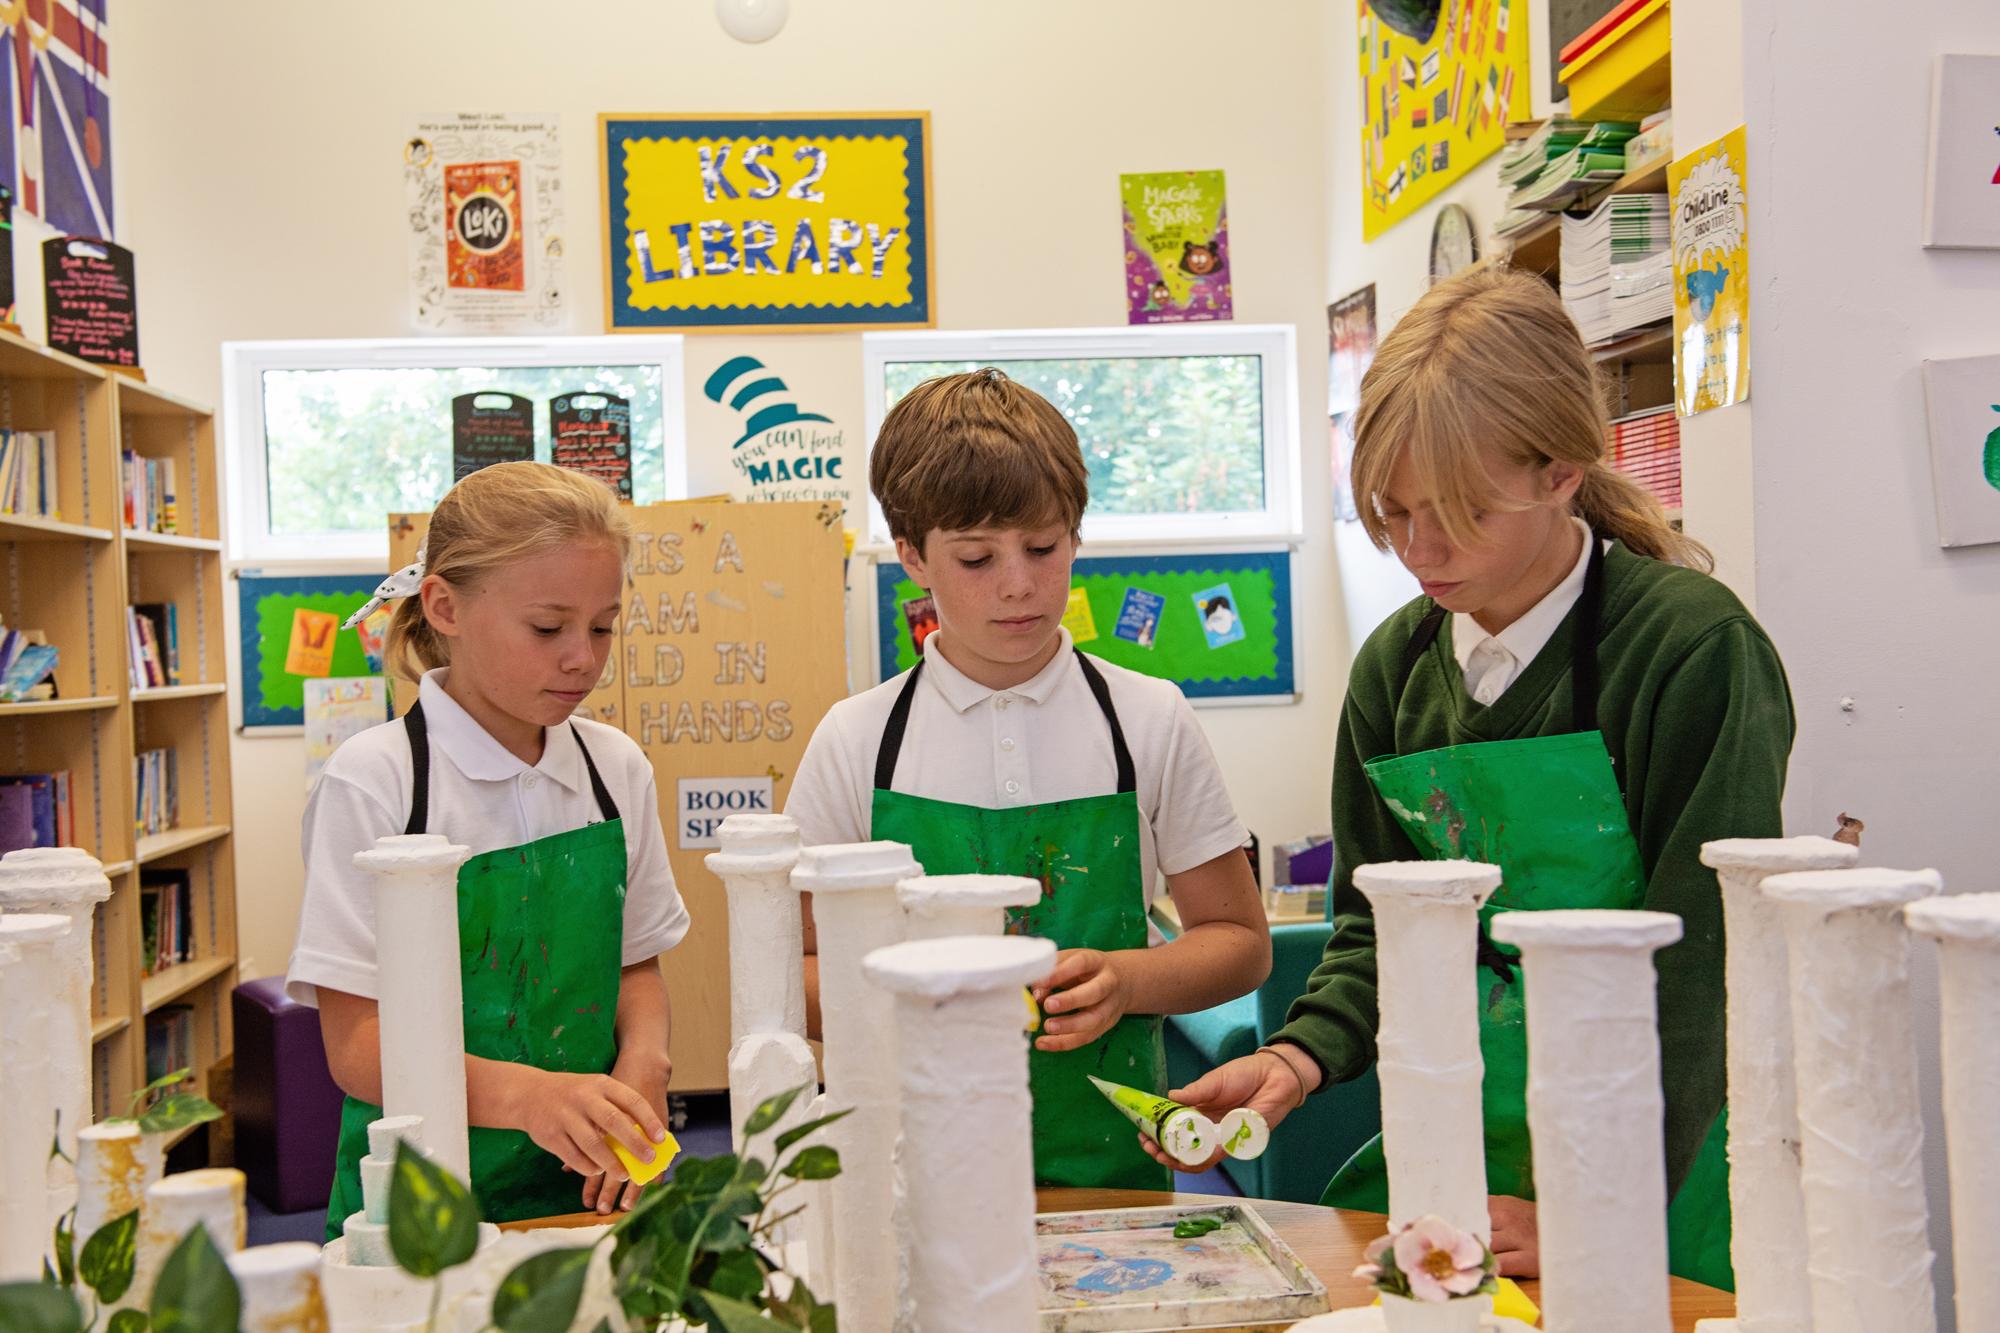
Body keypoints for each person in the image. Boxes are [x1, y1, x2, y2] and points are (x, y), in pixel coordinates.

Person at [1155, 268, 1788, 1290]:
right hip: (1461, 1157)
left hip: (1657, 1167)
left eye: (1459, 512)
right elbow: (1378, 932)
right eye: (1393, 512)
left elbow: (1703, 967)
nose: (1419, 549)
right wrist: (1296, 1057)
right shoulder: (1396, 669)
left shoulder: (1687, 649)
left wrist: (1598, 1194)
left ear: (1561, 471)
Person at [785, 368, 1271, 1189]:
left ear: (1074, 535)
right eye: (977, 557)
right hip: (905, 1177)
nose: (1018, 583)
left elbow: (1241, 945)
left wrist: (1127, 979)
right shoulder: (857, 740)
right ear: (913, 558)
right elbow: (791, 968)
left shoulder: (1148, 719)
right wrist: (917, 998)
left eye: (1043, 549)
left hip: (1111, 1178)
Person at [288, 461, 691, 1236]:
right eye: (547, 627)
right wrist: (529, 1097)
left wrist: (645, 1060)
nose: (583, 658)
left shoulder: (616, 770)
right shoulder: (376, 781)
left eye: (602, 626)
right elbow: (357, 1045)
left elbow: (636, 966)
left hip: (586, 1198)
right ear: (445, 606)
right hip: (417, 1210)